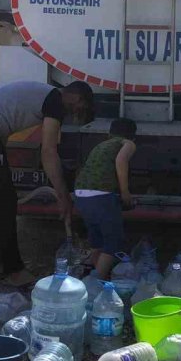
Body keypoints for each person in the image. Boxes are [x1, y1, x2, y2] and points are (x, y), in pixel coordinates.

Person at [0, 80, 94, 286]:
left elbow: (2, 122)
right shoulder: (55, 101)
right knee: (5, 201)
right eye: (81, 106)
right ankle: (14, 270)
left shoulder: (47, 96)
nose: (77, 111)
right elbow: (48, 152)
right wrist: (63, 195)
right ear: (76, 96)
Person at [72, 118, 137, 280]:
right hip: (101, 195)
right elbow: (121, 161)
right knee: (114, 241)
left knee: (97, 240)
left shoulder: (101, 145)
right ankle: (96, 282)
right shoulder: (128, 143)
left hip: (80, 194)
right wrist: (125, 192)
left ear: (109, 134)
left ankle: (94, 273)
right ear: (133, 135)